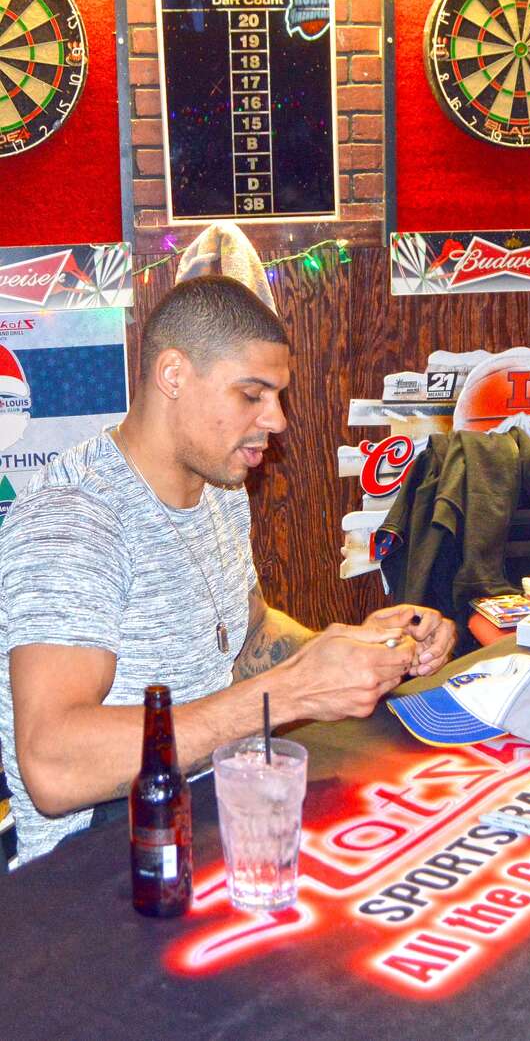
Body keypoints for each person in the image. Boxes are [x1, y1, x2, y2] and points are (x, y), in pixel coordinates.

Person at [0, 276, 455, 866]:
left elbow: (248, 634)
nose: (278, 420)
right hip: (100, 870)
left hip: (208, 817)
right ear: (173, 375)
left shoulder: (219, 488)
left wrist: (359, 652)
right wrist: (288, 694)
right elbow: (53, 766)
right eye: (252, 394)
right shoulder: (73, 520)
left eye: (278, 396)